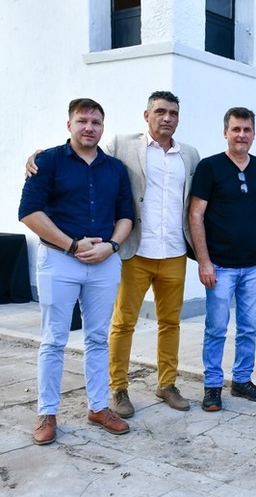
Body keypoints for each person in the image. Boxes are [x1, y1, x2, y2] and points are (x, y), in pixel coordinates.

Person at [27, 91, 201, 418]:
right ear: (146, 115)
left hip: (175, 251)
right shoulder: (122, 145)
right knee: (122, 324)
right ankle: (118, 387)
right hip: (134, 251)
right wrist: (38, 155)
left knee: (170, 322)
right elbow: (83, 153)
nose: (167, 118)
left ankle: (167, 383)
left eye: (173, 113)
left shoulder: (189, 155)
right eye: (160, 111)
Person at [19, 98, 134, 445]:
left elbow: (126, 214)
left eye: (96, 122)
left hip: (104, 264)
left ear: (103, 127)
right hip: (59, 261)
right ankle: (47, 412)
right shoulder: (48, 161)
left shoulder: (115, 168)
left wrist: (111, 246)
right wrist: (72, 245)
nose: (89, 127)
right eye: (82, 121)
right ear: (69, 124)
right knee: (54, 340)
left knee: (98, 338)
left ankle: (99, 407)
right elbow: (28, 212)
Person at [189, 107, 256, 412]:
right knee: (216, 328)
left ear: (253, 133)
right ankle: (212, 386)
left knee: (248, 327)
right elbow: (195, 214)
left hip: (251, 265)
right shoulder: (210, 167)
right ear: (225, 132)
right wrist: (203, 261)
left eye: (247, 130)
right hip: (219, 265)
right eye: (235, 129)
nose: (241, 135)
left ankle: (242, 379)